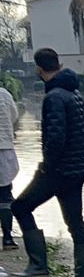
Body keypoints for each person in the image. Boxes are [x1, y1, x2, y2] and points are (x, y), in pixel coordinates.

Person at [13, 49, 84, 277]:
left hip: (58, 171)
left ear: (39, 69)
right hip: (78, 169)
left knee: (20, 207)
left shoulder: (54, 97)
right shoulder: (74, 93)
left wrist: (46, 167)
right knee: (76, 223)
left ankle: (38, 266)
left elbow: (56, 138)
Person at [0, 81, 21, 250]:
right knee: (5, 193)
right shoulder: (4, 94)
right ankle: (7, 238)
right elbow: (14, 115)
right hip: (4, 148)